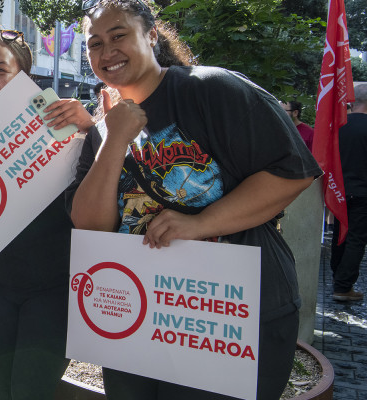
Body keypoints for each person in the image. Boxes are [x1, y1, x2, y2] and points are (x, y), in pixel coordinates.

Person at [69, 1, 321, 399]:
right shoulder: (105, 131)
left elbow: (292, 171)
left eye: (119, 35)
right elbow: (90, 225)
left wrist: (202, 223)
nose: (106, 52)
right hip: (140, 318)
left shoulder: (211, 89)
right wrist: (114, 136)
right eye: (94, 44)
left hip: (231, 317)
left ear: (151, 35)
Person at [0, 27, 95, 399]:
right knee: (4, 391)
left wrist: (92, 128)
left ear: (23, 77)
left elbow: (103, 187)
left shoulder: (61, 124)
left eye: (1, 70)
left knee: (30, 392)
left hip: (53, 290)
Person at [331, 83, 367, 302]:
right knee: (356, 238)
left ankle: (338, 278)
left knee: (339, 235)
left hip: (338, 191)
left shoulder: (337, 126)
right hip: (362, 192)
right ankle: (343, 286)